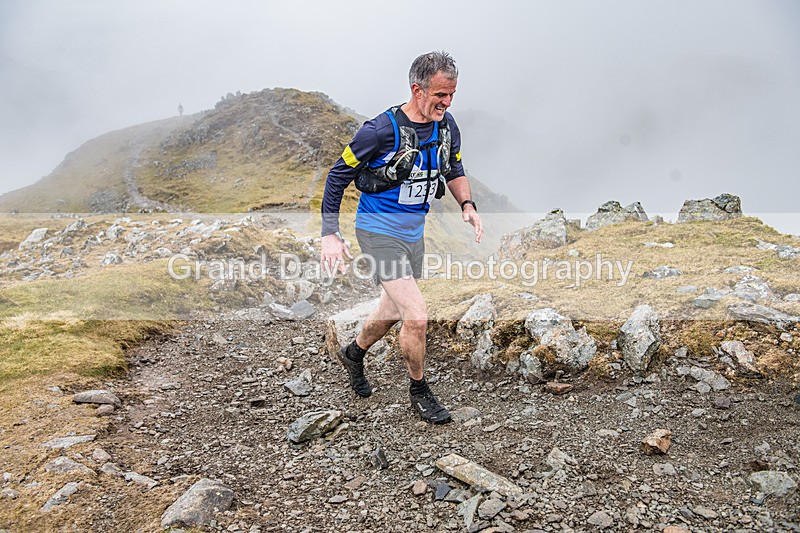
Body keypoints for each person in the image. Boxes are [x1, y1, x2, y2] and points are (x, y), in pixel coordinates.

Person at [320, 51, 483, 424]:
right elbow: (337, 175)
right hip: (378, 232)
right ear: (417, 88)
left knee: (392, 309)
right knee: (417, 316)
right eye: (440, 95)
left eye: (452, 94)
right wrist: (330, 233)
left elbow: (453, 167)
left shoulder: (447, 125)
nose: (447, 102)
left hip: (413, 233)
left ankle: (353, 353)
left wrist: (468, 204)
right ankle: (420, 390)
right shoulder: (379, 131)